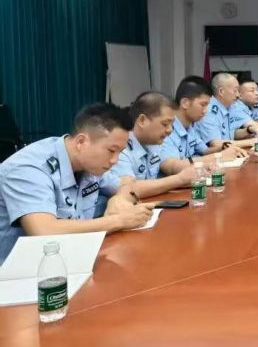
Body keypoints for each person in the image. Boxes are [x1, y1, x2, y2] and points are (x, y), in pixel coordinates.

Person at [0, 103, 155, 264]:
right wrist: (119, 220)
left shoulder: (88, 163)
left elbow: (126, 184)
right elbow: (44, 230)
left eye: (119, 153)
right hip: (17, 271)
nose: (115, 161)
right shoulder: (29, 169)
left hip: (70, 257)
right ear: (81, 142)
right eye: (111, 151)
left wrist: (119, 199)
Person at [108, 92, 198, 199]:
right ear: (142, 121)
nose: (170, 130)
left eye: (172, 124)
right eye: (165, 124)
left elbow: (171, 166)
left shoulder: (154, 143)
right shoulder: (120, 148)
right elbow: (129, 189)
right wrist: (180, 179)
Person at [160, 76, 246, 176]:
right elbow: (172, 167)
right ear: (185, 103)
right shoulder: (167, 128)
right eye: (203, 105)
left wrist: (225, 148)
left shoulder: (190, 126)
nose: (205, 111)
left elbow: (205, 151)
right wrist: (219, 156)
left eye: (207, 105)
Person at [196, 73, 257, 151]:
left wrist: (248, 130)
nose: (238, 95)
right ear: (221, 91)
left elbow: (228, 135)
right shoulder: (210, 112)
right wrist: (252, 142)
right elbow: (217, 144)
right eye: (235, 90)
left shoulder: (226, 107)